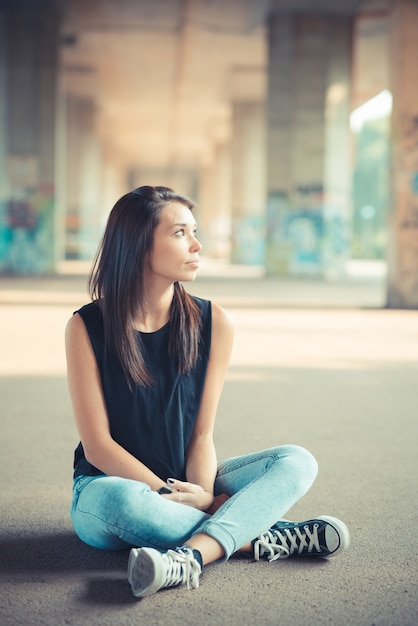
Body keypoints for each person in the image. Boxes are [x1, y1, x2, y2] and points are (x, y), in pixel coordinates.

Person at [66, 185, 350, 599]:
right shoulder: (86, 326)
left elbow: (201, 434)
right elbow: (98, 447)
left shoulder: (214, 321)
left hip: (191, 486)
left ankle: (191, 558)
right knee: (121, 505)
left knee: (295, 461)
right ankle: (260, 536)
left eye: (194, 231)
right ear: (139, 243)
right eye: (180, 233)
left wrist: (200, 496)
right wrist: (180, 498)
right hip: (109, 489)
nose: (197, 245)